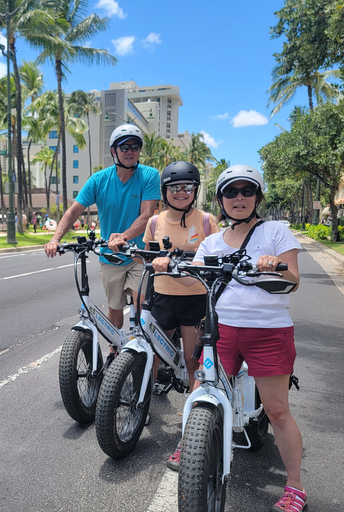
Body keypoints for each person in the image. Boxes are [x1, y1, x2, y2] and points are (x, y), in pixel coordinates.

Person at [153, 164, 305, 512]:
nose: (239, 198)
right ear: (221, 199)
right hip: (221, 329)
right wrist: (169, 266)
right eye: (231, 192)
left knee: (278, 410)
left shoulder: (276, 232)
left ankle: (295, 485)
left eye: (246, 191)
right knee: (201, 389)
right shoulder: (211, 242)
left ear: (257, 197)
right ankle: (190, 443)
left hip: (269, 331)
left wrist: (271, 264)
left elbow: (294, 279)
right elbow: (196, 281)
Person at [45, 123, 160, 335]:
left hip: (138, 254)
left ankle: (142, 349)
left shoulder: (149, 175)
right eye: (124, 147)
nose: (130, 151)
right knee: (114, 310)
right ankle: (115, 351)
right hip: (110, 256)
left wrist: (124, 237)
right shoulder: (99, 180)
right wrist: (55, 238)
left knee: (140, 304)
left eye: (135, 147)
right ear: (113, 151)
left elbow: (146, 214)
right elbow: (73, 212)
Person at [143, 161, 219, 451]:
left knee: (191, 360)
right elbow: (146, 257)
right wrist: (153, 259)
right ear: (165, 191)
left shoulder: (206, 221)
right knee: (153, 356)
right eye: (175, 187)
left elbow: (219, 253)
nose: (181, 192)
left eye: (187, 187)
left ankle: (192, 421)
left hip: (195, 298)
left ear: (195, 191)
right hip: (162, 296)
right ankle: (142, 404)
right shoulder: (154, 222)